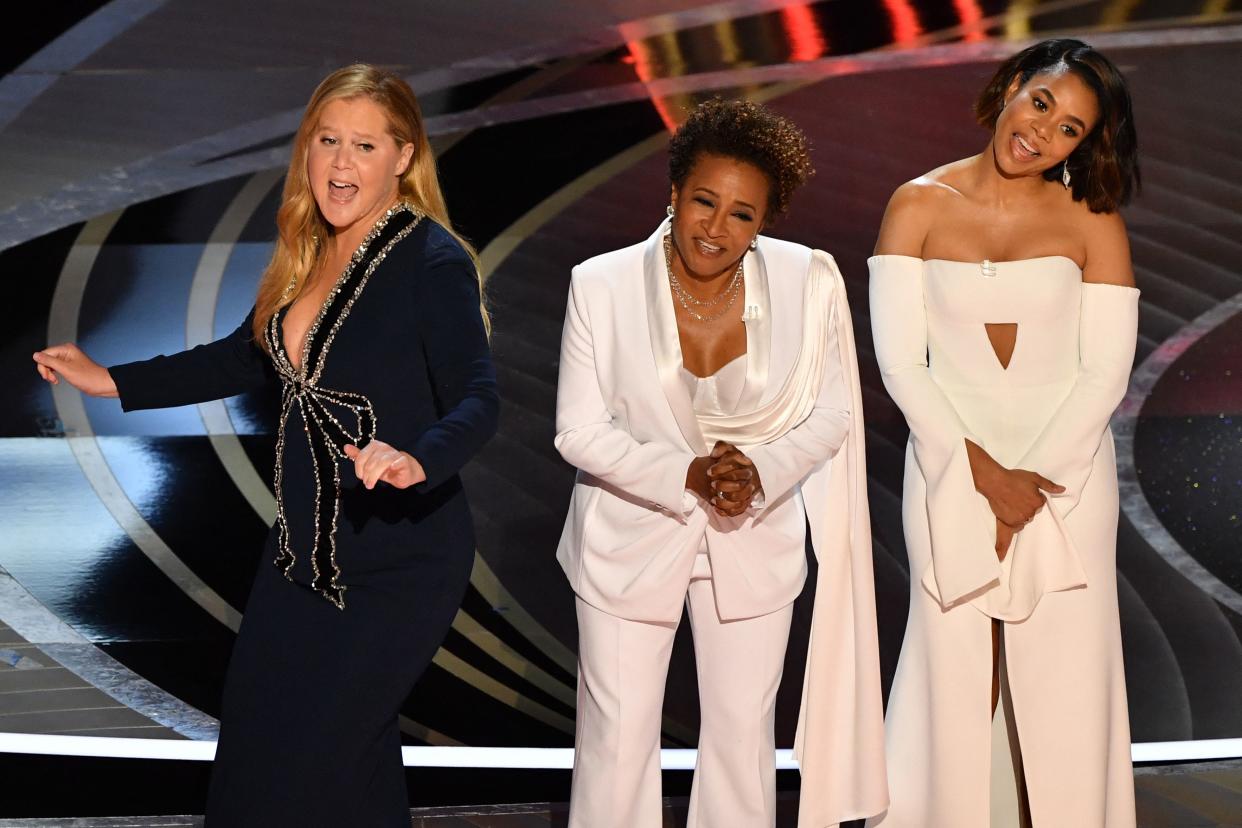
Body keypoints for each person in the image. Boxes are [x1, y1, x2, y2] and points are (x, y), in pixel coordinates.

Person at [33, 64, 498, 827]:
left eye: (365, 146)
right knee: (271, 762)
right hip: (301, 557)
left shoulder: (431, 259)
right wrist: (108, 380)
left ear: (403, 158)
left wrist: (417, 457)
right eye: (327, 141)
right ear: (306, 148)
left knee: (317, 769)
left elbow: (480, 398)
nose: (342, 165)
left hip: (398, 561)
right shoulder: (308, 253)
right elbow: (241, 357)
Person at [553, 98, 887, 828]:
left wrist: (760, 471)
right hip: (630, 536)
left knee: (742, 736)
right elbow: (578, 431)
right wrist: (688, 474)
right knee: (617, 738)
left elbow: (832, 413)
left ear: (765, 220)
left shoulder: (809, 281)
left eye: (743, 214)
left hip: (752, 534)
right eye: (705, 200)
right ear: (673, 192)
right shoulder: (600, 284)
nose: (717, 227)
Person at [866, 39, 1141, 827]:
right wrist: (982, 476)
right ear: (1013, 86)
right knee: (951, 671)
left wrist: (1029, 485)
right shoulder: (915, 203)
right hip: (949, 467)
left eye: (1072, 131)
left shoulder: (1094, 220)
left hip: (1066, 482)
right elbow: (902, 366)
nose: (1043, 132)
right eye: (1043, 103)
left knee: (1063, 678)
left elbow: (1104, 378)